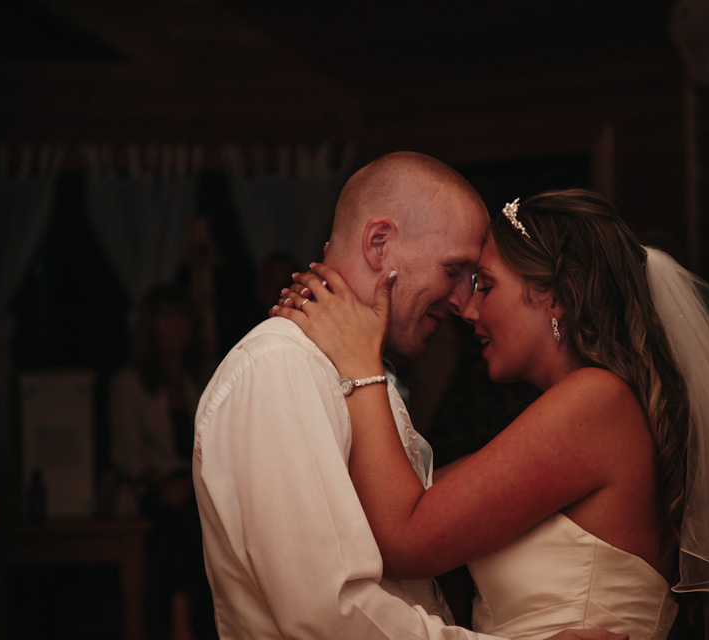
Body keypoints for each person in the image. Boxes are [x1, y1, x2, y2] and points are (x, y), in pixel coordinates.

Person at [275, 189, 709, 639]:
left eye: (486, 285)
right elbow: (416, 501)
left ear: (556, 298)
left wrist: (360, 361)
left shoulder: (596, 404)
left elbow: (408, 537)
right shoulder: (582, 409)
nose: (467, 309)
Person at [192, 152, 625, 640]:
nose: (463, 302)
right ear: (379, 243)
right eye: (454, 269)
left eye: (478, 282)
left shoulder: (354, 371)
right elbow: (328, 616)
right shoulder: (280, 367)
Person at [109, 283, 214, 640]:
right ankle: (180, 620)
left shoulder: (201, 377)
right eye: (166, 319)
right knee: (180, 516)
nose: (176, 328)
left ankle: (191, 618)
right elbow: (127, 454)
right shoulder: (129, 382)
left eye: (182, 318)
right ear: (149, 326)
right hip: (151, 487)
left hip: (197, 482)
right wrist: (164, 482)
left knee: (201, 511)